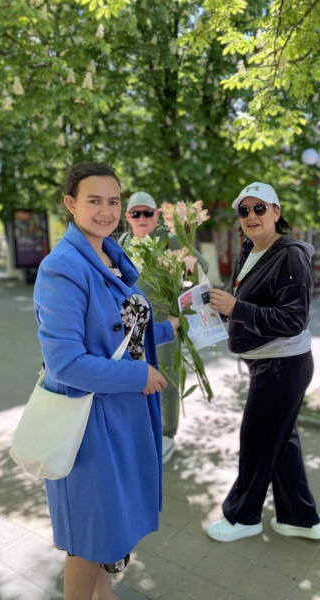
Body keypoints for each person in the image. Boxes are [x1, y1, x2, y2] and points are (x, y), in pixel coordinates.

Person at [33, 162, 179, 600]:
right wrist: (140, 374)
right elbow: (65, 363)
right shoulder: (62, 267)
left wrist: (169, 328)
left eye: (113, 201)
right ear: (70, 204)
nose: (106, 211)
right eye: (94, 200)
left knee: (105, 532)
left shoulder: (110, 257)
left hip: (119, 417)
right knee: (87, 539)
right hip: (88, 424)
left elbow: (123, 330)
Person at [206, 182, 320, 543]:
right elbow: (249, 304)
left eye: (260, 208)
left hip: (282, 365)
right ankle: (300, 518)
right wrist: (220, 312)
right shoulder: (250, 250)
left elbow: (293, 319)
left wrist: (236, 308)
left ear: (276, 212)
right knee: (280, 442)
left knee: (257, 441)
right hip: (268, 363)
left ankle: (243, 518)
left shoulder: (289, 255)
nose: (251, 216)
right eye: (244, 210)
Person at [119, 191, 208, 464]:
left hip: (163, 324)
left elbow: (200, 267)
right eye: (136, 213)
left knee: (165, 378)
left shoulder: (168, 240)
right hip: (130, 328)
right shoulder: (120, 243)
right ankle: (141, 431)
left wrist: (182, 302)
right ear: (128, 217)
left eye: (147, 213)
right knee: (134, 379)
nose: (142, 218)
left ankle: (166, 433)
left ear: (157, 215)